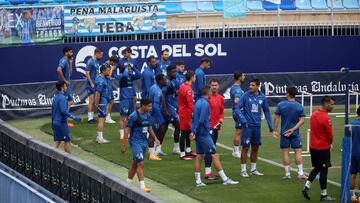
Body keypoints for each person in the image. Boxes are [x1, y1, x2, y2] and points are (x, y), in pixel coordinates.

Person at [192, 86, 238, 187]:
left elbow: (194, 119)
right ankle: (225, 179)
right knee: (214, 155)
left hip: (199, 134)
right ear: (208, 92)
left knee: (199, 156)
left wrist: (194, 131)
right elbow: (201, 120)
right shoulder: (205, 104)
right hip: (204, 134)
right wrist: (195, 131)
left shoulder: (197, 103)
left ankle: (198, 181)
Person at [235, 78, 274, 177]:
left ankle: (253, 169)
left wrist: (271, 128)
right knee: (245, 147)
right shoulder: (245, 96)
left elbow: (267, 112)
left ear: (257, 86)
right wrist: (243, 120)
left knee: (255, 147)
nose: (250, 87)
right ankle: (243, 170)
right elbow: (237, 108)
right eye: (250, 85)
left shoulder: (262, 97)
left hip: (257, 126)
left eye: (253, 85)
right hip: (248, 126)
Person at [121, 98, 160, 193]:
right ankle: (142, 186)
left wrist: (155, 138)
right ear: (143, 106)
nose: (151, 108)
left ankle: (127, 182)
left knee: (135, 164)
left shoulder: (147, 114)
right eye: (149, 106)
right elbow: (127, 130)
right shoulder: (134, 116)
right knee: (140, 163)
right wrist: (123, 144)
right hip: (135, 142)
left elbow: (149, 127)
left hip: (143, 142)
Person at [302, 96, 336, 201]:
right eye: (332, 104)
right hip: (323, 148)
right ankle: (324, 195)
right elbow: (330, 135)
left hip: (313, 147)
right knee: (324, 170)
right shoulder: (326, 118)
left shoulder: (314, 114)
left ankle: (306, 187)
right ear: (326, 103)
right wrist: (330, 143)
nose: (333, 106)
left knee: (317, 168)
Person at [273, 86, 307, 180]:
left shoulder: (281, 105)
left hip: (284, 132)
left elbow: (276, 118)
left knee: (285, 152)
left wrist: (275, 130)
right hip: (295, 133)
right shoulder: (299, 105)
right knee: (298, 152)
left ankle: (287, 174)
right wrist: (293, 129)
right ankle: (300, 173)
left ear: (288, 93)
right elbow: (302, 120)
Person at [113, 55, 141, 142]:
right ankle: (121, 134)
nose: (129, 70)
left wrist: (133, 68)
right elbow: (124, 74)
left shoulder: (131, 76)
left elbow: (139, 75)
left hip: (130, 99)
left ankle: (128, 132)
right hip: (124, 100)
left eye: (129, 69)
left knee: (130, 117)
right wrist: (126, 68)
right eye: (128, 69)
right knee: (123, 117)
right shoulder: (122, 76)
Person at [51, 81, 81, 154]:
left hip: (55, 122)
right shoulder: (63, 98)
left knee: (57, 141)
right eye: (65, 86)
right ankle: (70, 161)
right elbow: (63, 110)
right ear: (62, 87)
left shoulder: (55, 97)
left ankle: (49, 158)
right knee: (67, 140)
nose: (66, 87)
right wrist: (74, 117)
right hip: (61, 123)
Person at [204, 79, 224, 180]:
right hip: (208, 128)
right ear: (210, 86)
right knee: (209, 150)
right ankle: (207, 172)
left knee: (213, 148)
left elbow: (221, 112)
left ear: (218, 86)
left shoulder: (220, 98)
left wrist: (220, 120)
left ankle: (209, 171)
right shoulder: (207, 98)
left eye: (216, 85)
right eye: (212, 85)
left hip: (216, 127)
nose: (214, 87)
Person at [148, 74, 168, 160]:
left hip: (151, 114)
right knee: (153, 134)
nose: (166, 81)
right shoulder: (158, 91)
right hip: (154, 115)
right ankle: (152, 155)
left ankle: (151, 151)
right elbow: (155, 105)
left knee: (153, 134)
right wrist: (161, 119)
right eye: (164, 79)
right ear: (160, 81)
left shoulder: (153, 87)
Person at [178, 71, 197, 160]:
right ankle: (182, 154)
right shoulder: (188, 89)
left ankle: (188, 150)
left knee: (188, 131)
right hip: (185, 112)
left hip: (184, 111)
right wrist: (196, 112)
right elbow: (190, 103)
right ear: (192, 77)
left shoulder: (183, 85)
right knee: (184, 132)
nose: (195, 78)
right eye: (194, 77)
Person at [163, 65, 181, 154]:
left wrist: (175, 92)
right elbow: (162, 95)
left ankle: (157, 149)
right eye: (173, 72)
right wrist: (165, 109)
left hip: (171, 107)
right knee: (178, 126)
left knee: (163, 128)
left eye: (175, 72)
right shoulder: (167, 82)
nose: (175, 73)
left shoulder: (173, 81)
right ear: (168, 72)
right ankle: (176, 148)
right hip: (168, 108)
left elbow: (175, 91)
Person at [94, 65, 112, 144]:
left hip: (103, 101)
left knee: (102, 119)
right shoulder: (101, 81)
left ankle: (98, 137)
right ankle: (100, 138)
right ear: (103, 71)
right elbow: (98, 93)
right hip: (102, 102)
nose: (109, 72)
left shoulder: (103, 78)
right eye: (108, 70)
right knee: (101, 120)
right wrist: (97, 104)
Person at [56, 47, 74, 127]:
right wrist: (65, 81)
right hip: (64, 86)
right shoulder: (63, 60)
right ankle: (64, 122)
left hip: (66, 85)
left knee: (69, 102)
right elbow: (58, 70)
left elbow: (70, 73)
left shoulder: (67, 61)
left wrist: (70, 63)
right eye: (70, 52)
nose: (72, 53)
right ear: (66, 53)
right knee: (68, 102)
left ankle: (64, 121)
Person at [85, 48, 103, 124]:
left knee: (94, 102)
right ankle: (89, 119)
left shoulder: (97, 61)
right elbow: (87, 74)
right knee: (91, 101)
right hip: (90, 85)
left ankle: (91, 118)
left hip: (95, 84)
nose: (101, 56)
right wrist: (91, 83)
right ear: (96, 53)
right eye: (101, 54)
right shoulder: (90, 62)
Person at [230, 71, 245, 158]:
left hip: (236, 112)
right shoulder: (237, 89)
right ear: (239, 77)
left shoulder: (234, 87)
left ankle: (235, 149)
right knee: (239, 132)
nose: (244, 77)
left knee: (240, 131)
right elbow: (236, 100)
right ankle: (236, 152)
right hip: (239, 112)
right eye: (243, 75)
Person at [351, 106, 360, 202]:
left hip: (352, 152)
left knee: (352, 174)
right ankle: (357, 196)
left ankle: (352, 195)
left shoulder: (352, 123)